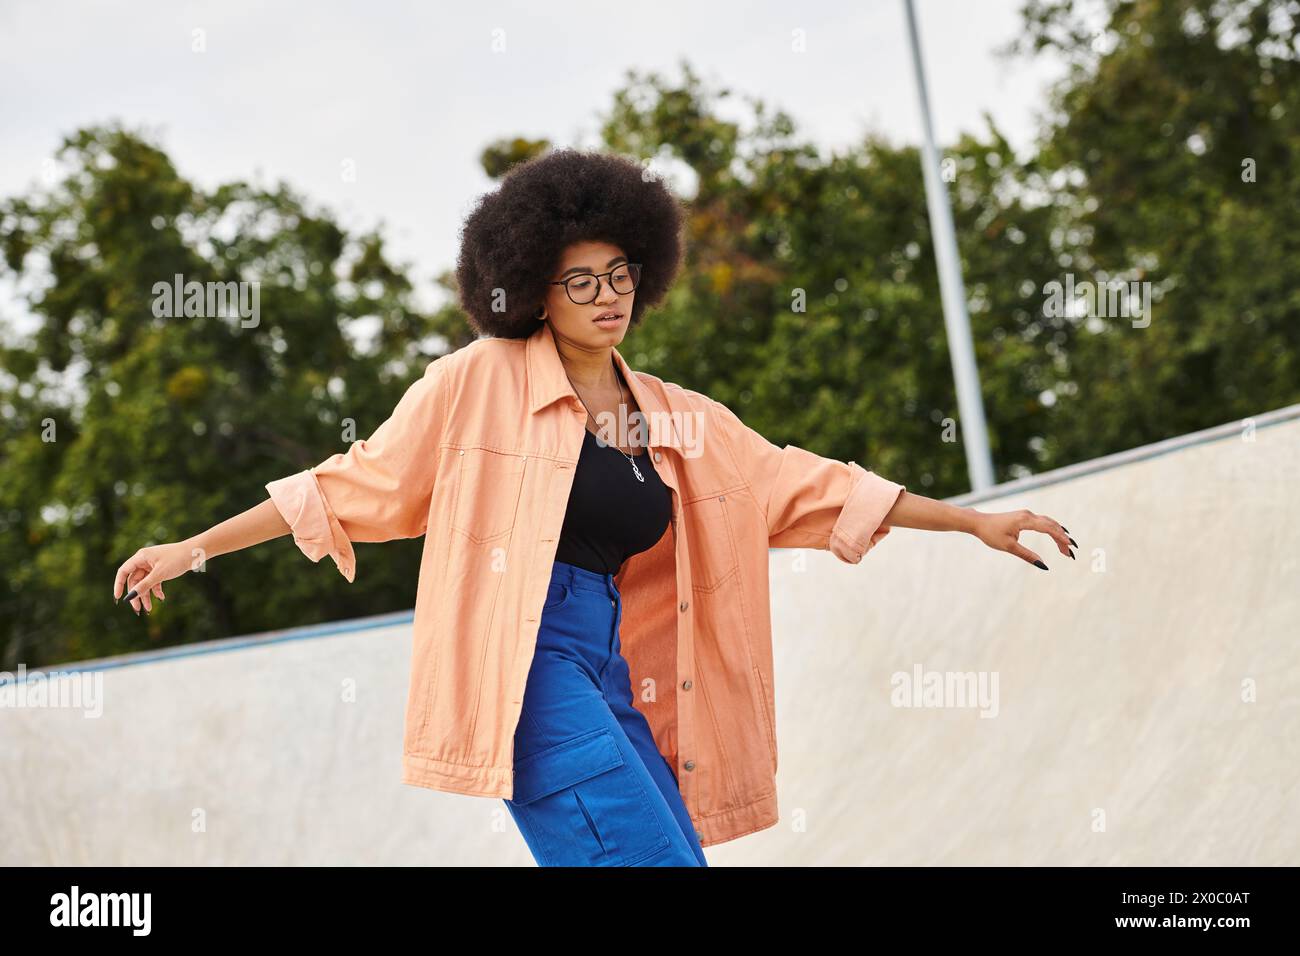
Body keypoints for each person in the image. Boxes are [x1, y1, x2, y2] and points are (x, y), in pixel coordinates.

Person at [112, 149, 1076, 866]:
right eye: (579, 281)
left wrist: (973, 520)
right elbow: (348, 483)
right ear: (534, 290)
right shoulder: (478, 382)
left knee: (677, 855)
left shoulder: (672, 418)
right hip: (526, 663)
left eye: (619, 276)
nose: (605, 296)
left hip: (613, 663)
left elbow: (803, 481)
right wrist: (193, 547)